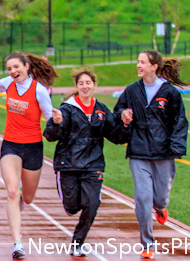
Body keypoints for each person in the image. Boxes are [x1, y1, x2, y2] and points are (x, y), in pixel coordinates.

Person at [0, 50, 58, 259]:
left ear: (27, 66)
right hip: (11, 145)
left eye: (16, 67)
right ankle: (17, 243)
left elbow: (49, 117)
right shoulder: (9, 83)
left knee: (27, 198)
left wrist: (58, 122)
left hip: (33, 147)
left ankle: (17, 207)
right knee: (11, 192)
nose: (12, 71)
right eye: (9, 68)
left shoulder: (39, 90)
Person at [43, 68, 131, 257]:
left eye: (88, 83)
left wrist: (124, 124)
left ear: (94, 86)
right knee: (73, 206)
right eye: (81, 83)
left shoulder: (101, 110)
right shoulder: (67, 109)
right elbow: (50, 136)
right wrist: (56, 123)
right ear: (76, 86)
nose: (85, 86)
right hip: (69, 164)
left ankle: (78, 242)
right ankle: (73, 206)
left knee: (92, 203)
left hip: (93, 165)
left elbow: (116, 137)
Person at [112, 50, 189, 259]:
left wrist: (175, 147)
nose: (138, 65)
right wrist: (123, 117)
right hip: (138, 153)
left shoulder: (170, 93)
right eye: (137, 61)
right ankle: (147, 244)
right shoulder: (130, 91)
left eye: (142, 62)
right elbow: (115, 114)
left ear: (154, 66)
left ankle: (161, 207)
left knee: (159, 198)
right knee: (143, 198)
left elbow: (179, 122)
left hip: (163, 153)